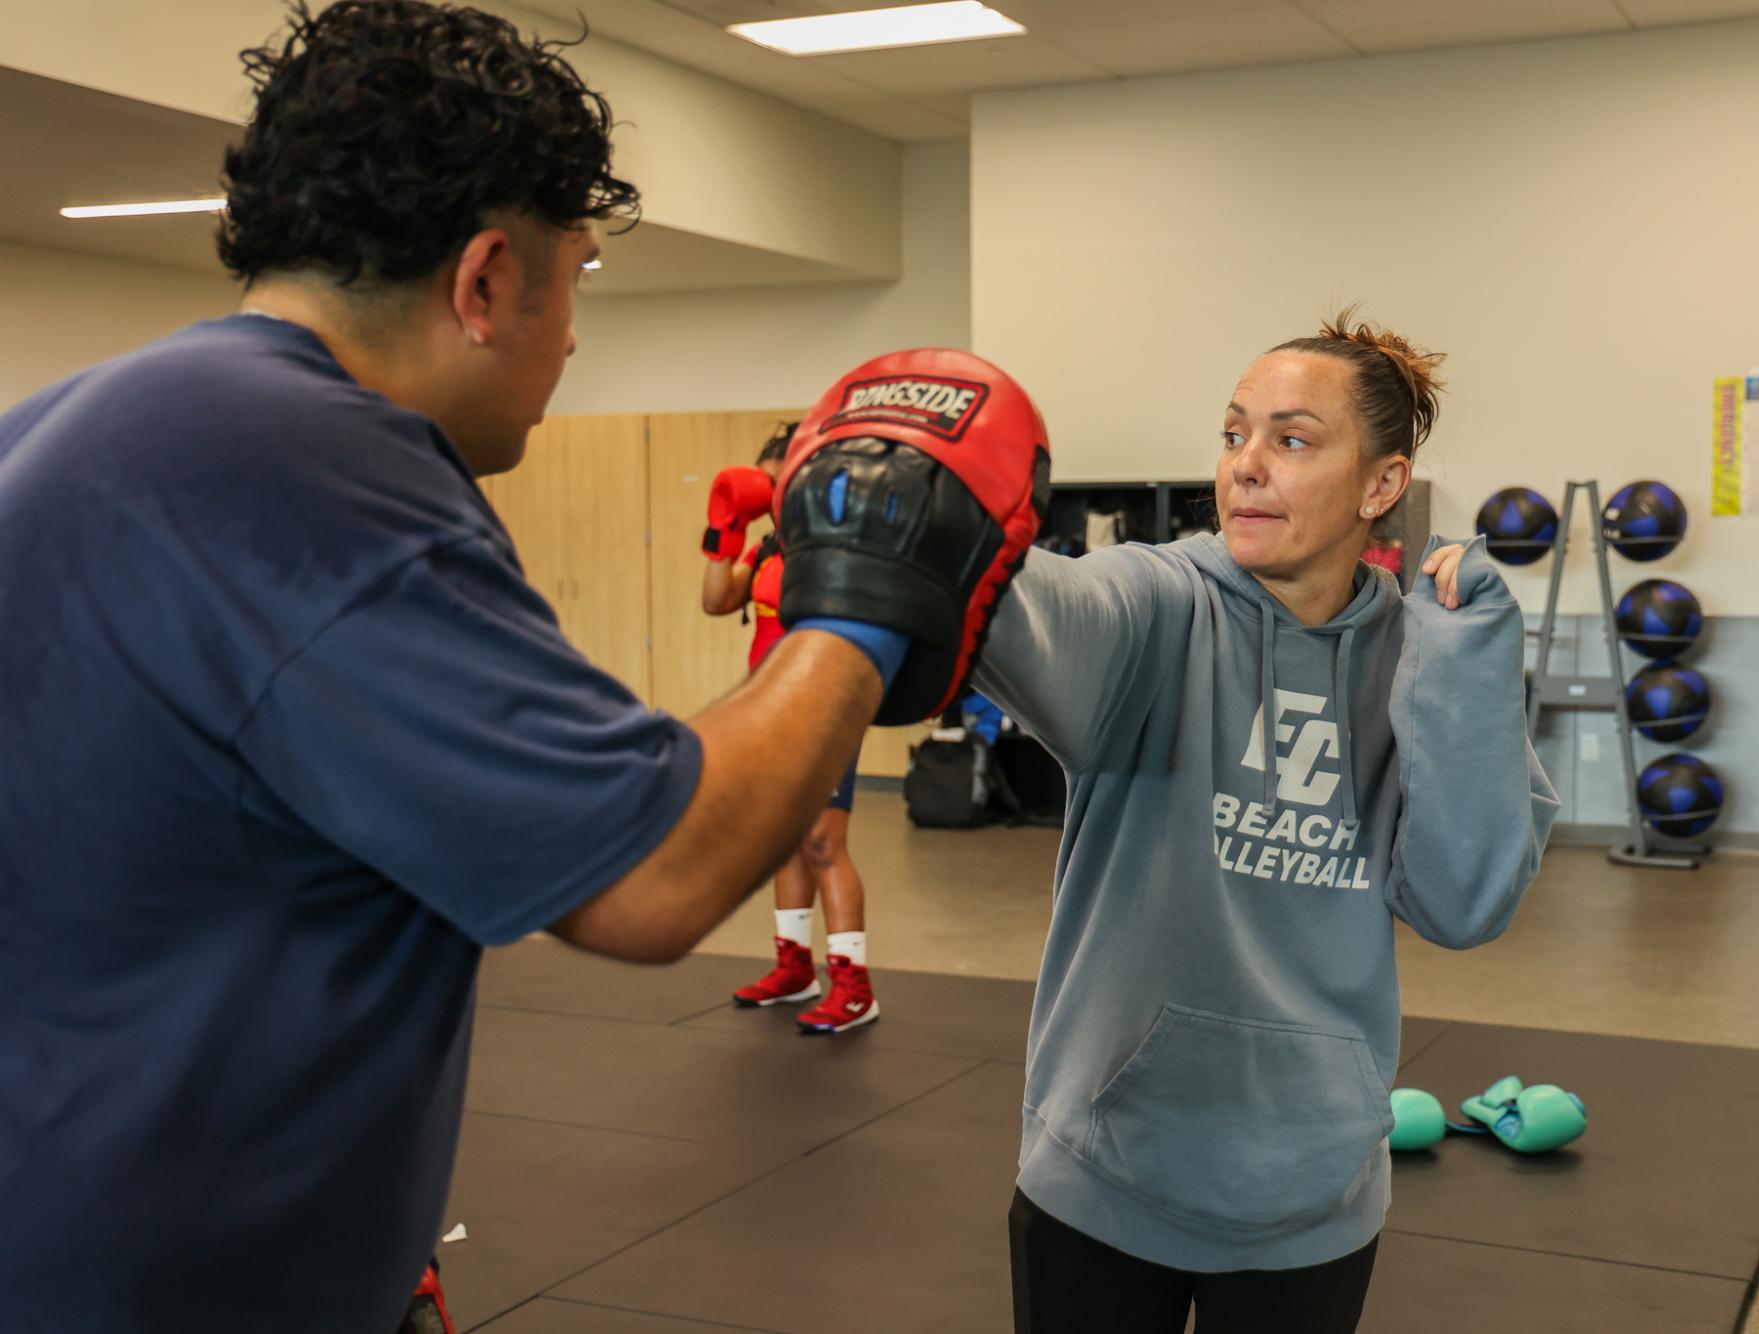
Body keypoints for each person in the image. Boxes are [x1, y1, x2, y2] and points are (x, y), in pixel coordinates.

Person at [0, 3, 1041, 1329]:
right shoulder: (319, 467)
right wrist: (864, 600)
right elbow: (651, 878)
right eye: (578, 280)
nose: (571, 336)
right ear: (488, 279)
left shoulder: (66, 427)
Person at [976, 310, 1561, 1333]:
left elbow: (1463, 900)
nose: (1246, 465)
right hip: (1106, 1169)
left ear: (1382, 485)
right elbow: (1043, 613)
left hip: (1313, 1190)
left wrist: (1464, 674)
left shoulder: (1417, 657)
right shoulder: (1158, 601)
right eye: (1235, 432)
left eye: (1291, 440)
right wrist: (962, 546)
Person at [700, 423, 880, 1033]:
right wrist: (725, 528)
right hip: (769, 705)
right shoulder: (769, 548)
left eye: (786, 484)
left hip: (824, 706)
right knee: (786, 839)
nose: (777, 494)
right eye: (768, 486)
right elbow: (716, 599)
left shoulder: (835, 546)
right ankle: (794, 968)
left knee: (825, 842)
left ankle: (854, 987)